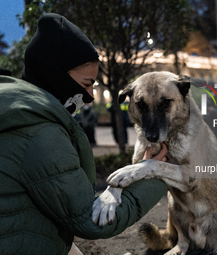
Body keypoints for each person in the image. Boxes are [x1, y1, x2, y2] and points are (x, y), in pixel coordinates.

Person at [0, 13, 167, 255]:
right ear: (55, 75)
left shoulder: (17, 111)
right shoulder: (41, 134)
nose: (89, 96)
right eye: (86, 84)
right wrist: (155, 174)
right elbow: (90, 220)